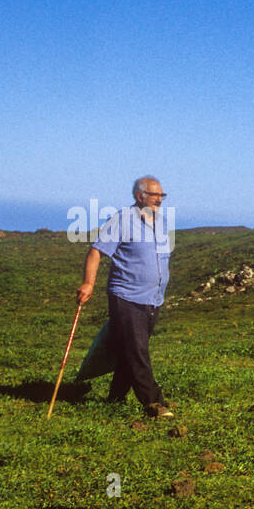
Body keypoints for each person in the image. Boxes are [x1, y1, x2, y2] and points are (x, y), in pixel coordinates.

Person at [76, 176, 175, 418]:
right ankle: (154, 403)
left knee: (128, 351)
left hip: (152, 299)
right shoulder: (122, 220)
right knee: (137, 351)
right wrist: (89, 283)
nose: (160, 199)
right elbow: (96, 251)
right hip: (127, 296)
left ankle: (115, 398)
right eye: (155, 195)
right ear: (140, 196)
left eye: (162, 195)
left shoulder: (160, 222)